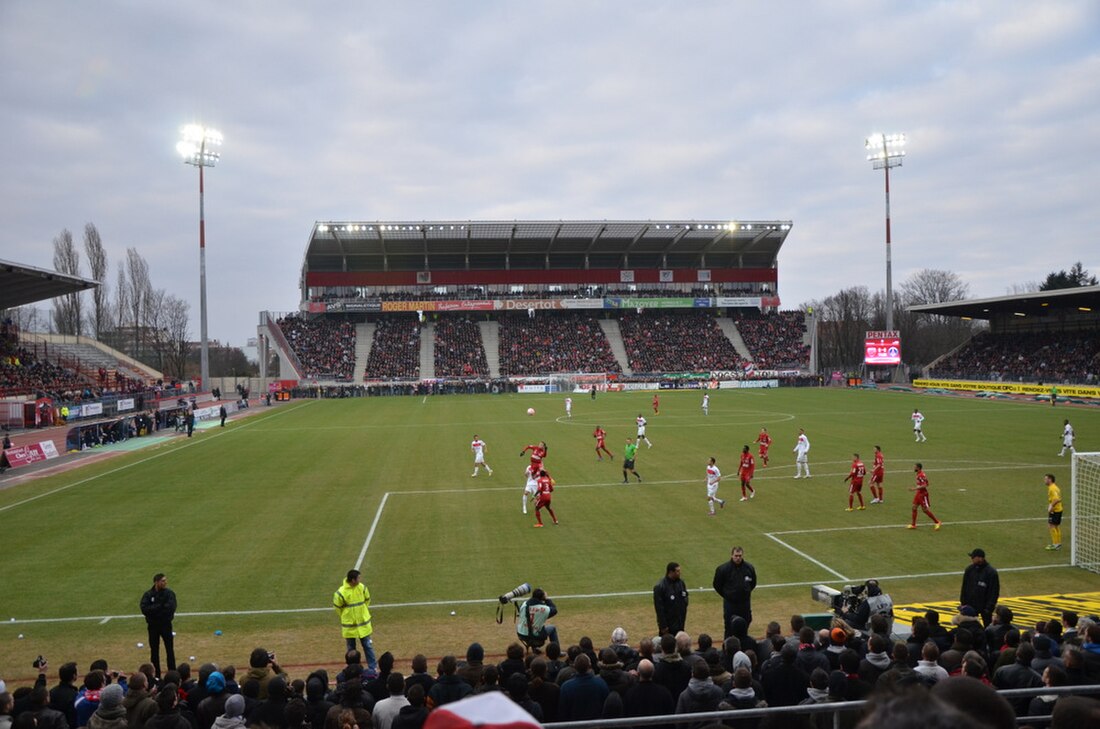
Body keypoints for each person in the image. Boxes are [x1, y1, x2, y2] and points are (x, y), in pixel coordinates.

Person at [333, 569, 378, 675]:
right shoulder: (341, 592)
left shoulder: (362, 588)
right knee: (351, 649)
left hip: (363, 626)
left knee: (368, 646)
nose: (360, 580)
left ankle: (373, 667)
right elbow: (337, 607)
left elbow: (367, 600)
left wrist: (362, 612)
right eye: (358, 578)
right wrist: (346, 617)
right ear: (353, 580)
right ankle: (352, 669)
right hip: (350, 627)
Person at [713, 546, 757, 636]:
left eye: (740, 556)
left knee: (745, 626)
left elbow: (753, 583)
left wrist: (745, 592)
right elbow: (717, 585)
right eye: (736, 556)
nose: (738, 558)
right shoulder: (723, 569)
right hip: (730, 604)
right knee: (729, 628)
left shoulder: (749, 568)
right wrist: (727, 595)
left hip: (744, 604)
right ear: (732, 555)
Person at [140, 573, 177, 679]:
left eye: (165, 580)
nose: (165, 583)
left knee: (170, 649)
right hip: (153, 627)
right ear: (156, 582)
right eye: (163, 581)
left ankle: (172, 673)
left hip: (166, 625)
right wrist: (160, 607)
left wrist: (155, 610)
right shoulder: (148, 595)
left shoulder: (169, 594)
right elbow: (145, 609)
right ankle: (156, 675)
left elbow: (171, 608)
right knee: (154, 650)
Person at [960, 548, 1000, 626]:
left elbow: (994, 592)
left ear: (980, 558)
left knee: (988, 627)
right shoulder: (969, 570)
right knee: (969, 626)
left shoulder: (991, 573)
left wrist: (989, 608)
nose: (971, 559)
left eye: (973, 557)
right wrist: (963, 602)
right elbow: (964, 587)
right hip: (970, 606)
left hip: (985, 607)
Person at [653, 562, 689, 637]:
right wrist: (663, 626)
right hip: (668, 627)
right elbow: (659, 609)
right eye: (677, 571)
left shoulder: (681, 583)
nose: (680, 573)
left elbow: (685, 597)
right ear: (671, 572)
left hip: (680, 624)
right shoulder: (660, 586)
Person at [908, 463, 942, 530]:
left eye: (915, 467)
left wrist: (914, 489)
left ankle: (937, 522)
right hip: (919, 493)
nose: (914, 468)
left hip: (923, 494)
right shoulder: (919, 474)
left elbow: (925, 485)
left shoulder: (921, 475)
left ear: (918, 468)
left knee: (925, 510)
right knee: (914, 507)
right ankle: (913, 525)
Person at [1045, 473, 1063, 550]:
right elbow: (1059, 498)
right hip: (1058, 509)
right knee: (1055, 526)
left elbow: (1056, 499)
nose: (1044, 480)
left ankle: (1055, 544)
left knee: (1051, 526)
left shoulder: (1052, 488)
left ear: (1050, 479)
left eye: (1046, 479)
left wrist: (1051, 506)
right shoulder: (1054, 487)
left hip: (1055, 510)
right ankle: (1058, 544)